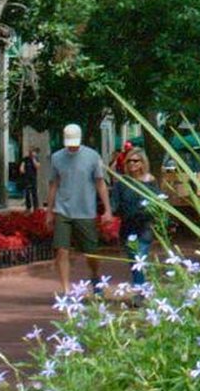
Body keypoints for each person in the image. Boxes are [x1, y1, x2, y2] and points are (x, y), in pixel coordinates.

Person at [45, 122, 110, 287]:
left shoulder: (92, 156)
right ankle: (66, 289)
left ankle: (95, 275)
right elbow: (54, 184)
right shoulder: (57, 157)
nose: (72, 147)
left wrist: (107, 210)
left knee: (91, 253)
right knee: (61, 250)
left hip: (85, 210)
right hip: (63, 209)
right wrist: (49, 211)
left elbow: (100, 183)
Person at [108, 146, 158, 282]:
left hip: (145, 226)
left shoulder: (150, 181)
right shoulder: (122, 183)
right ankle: (142, 287)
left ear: (143, 162)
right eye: (129, 161)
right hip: (128, 227)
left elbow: (158, 201)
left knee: (139, 257)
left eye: (136, 161)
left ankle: (140, 291)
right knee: (133, 259)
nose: (132, 164)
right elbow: (114, 204)